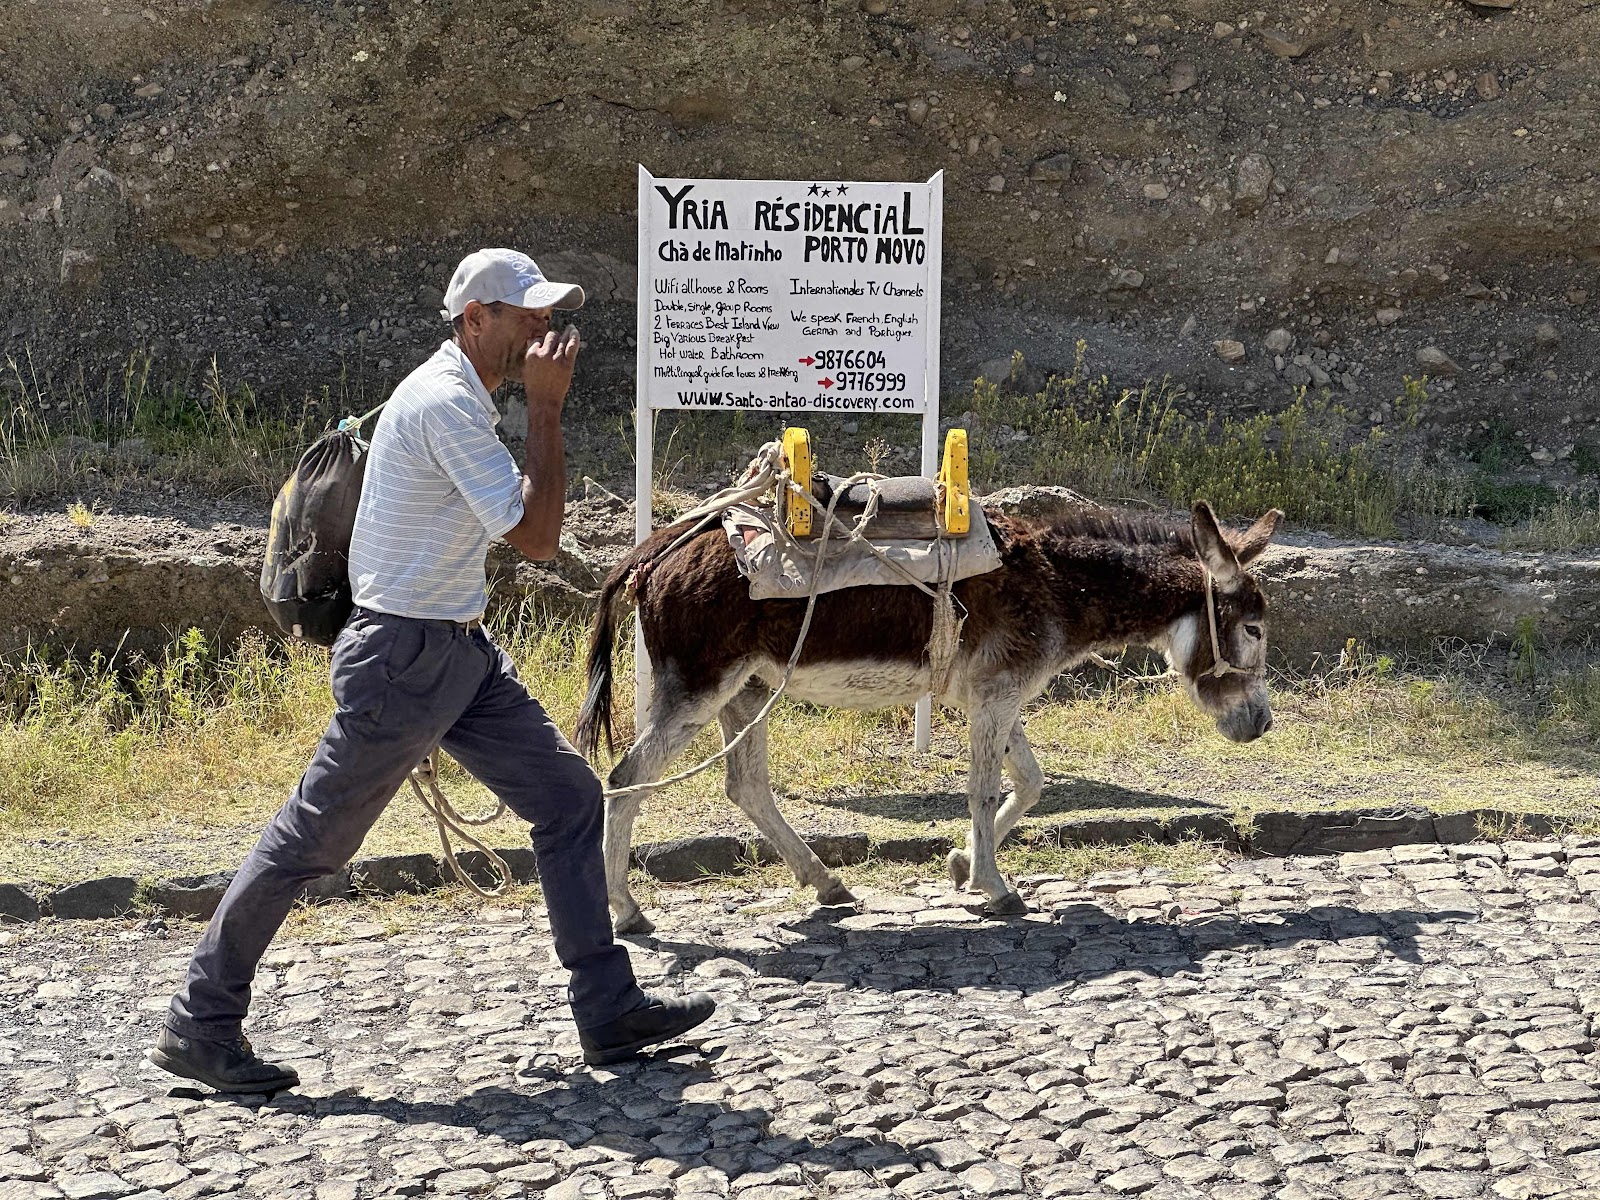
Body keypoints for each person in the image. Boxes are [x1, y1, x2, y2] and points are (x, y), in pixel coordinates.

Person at [150, 248, 714, 1093]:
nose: (544, 328)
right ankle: (200, 1021)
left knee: (568, 798)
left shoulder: (457, 393)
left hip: (449, 649)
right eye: (526, 315)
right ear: (474, 319)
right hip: (406, 657)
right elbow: (535, 536)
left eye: (547, 314)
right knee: (309, 842)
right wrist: (549, 414)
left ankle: (608, 1008)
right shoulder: (450, 402)